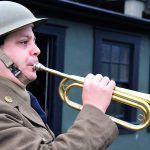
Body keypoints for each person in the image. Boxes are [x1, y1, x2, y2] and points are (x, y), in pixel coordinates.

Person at [0, 1, 118, 150]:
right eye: (24, 42)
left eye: (34, 42)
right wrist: (94, 109)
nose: (37, 50)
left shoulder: (22, 99)